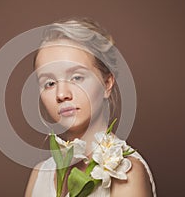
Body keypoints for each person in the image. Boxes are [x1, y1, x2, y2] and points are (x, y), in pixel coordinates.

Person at [25, 17, 156, 197]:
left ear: (107, 84)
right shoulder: (40, 174)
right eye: (49, 83)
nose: (61, 94)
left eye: (77, 77)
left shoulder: (126, 172)